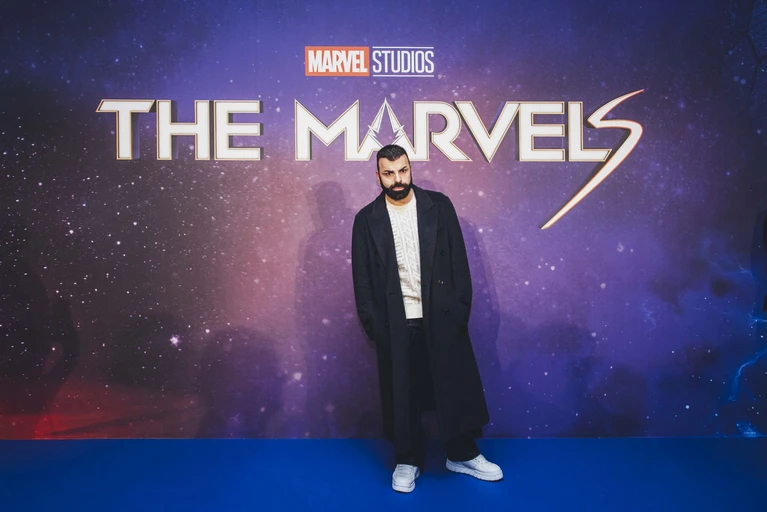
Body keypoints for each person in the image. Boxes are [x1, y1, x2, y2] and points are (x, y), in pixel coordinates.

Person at [351, 144, 502, 492]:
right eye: (389, 173)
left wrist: (459, 311)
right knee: (402, 392)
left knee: (453, 385)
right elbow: (362, 280)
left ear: (410, 168)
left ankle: (462, 453)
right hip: (395, 323)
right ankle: (407, 459)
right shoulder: (366, 219)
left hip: (441, 316)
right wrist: (376, 328)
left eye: (403, 170)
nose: (398, 179)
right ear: (378, 176)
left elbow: (460, 263)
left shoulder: (440, 206)